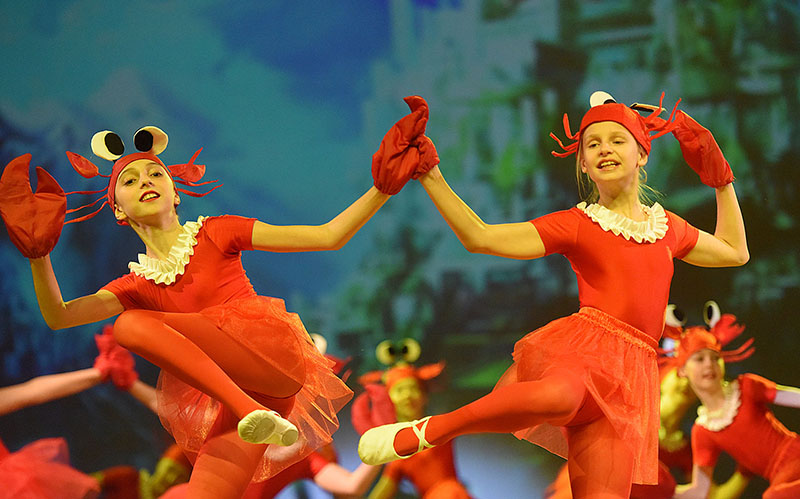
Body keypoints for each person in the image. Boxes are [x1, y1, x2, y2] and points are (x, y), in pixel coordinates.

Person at [0, 97, 433, 499]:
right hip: (256, 404)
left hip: (271, 356)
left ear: (175, 192)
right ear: (117, 208)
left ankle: (248, 411)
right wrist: (39, 257)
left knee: (129, 324)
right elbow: (59, 317)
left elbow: (327, 236)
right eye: (130, 180)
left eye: (155, 174)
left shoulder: (216, 232)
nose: (145, 181)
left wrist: (382, 189)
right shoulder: (134, 285)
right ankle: (251, 414)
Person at [358, 91, 749, 498]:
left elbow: (735, 251)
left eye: (617, 140)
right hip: (588, 353)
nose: (604, 149)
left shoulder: (668, 228)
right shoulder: (578, 224)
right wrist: (431, 175)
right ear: (583, 164)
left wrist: (720, 178)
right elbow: (480, 237)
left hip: (630, 385)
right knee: (562, 395)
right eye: (592, 145)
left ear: (642, 154)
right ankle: (432, 430)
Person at [672, 328, 800, 499]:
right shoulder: (703, 431)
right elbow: (700, 491)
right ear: (682, 370)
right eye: (700, 359)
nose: (709, 364)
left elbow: (794, 397)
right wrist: (662, 490)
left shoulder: (746, 387)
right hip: (780, 478)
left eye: (715, 358)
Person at [354, 342, 471, 499]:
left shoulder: (440, 425)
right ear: (389, 399)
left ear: (424, 396)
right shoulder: (396, 450)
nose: (408, 395)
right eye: (400, 390)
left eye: (413, 389)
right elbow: (383, 491)